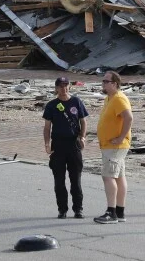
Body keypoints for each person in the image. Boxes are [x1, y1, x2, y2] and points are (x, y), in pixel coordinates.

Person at [43, 76, 89, 219]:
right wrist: (47, 143)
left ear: (69, 86)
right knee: (59, 180)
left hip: (73, 144)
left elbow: (83, 121)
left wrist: (82, 136)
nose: (63, 89)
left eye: (66, 85)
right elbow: (47, 127)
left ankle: (78, 209)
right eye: (60, 86)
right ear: (56, 88)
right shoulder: (51, 105)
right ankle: (62, 209)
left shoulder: (76, 101)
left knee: (76, 179)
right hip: (58, 144)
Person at [93, 71, 134, 224]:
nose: (103, 83)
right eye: (103, 81)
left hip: (115, 145)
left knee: (108, 176)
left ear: (115, 84)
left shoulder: (119, 98)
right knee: (119, 176)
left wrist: (121, 137)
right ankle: (120, 210)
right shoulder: (109, 98)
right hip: (110, 145)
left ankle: (111, 212)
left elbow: (129, 118)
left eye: (106, 81)